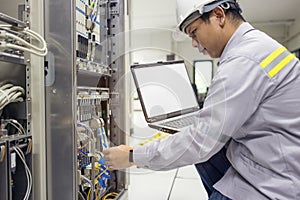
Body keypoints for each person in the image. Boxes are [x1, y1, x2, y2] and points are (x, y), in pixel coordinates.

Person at [103, 0, 300, 199]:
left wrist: (131, 155)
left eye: (194, 32)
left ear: (219, 15)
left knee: (198, 143)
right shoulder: (255, 46)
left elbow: (200, 141)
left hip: (272, 184)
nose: (195, 43)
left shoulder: (243, 61)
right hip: (272, 161)